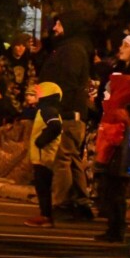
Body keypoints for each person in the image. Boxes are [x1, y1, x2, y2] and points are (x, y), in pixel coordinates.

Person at [39, 12, 94, 219]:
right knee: (72, 159)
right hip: (72, 114)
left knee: (61, 158)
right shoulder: (70, 48)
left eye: (59, 24)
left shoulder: (71, 50)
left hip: (67, 114)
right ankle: (81, 203)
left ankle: (62, 203)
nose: (55, 28)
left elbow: (66, 83)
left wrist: (54, 105)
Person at [93, 72, 130, 243]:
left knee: (115, 193)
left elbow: (111, 139)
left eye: (110, 89)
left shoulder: (118, 112)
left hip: (116, 160)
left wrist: (101, 160)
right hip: (122, 159)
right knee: (116, 194)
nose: (106, 91)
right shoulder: (123, 110)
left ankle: (115, 230)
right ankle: (115, 229)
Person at [24, 82, 63, 228]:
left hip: (44, 156)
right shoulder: (46, 109)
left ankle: (46, 216)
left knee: (43, 187)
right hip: (43, 155)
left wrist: (41, 141)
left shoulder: (47, 110)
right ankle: (46, 215)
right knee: (42, 187)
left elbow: (55, 126)